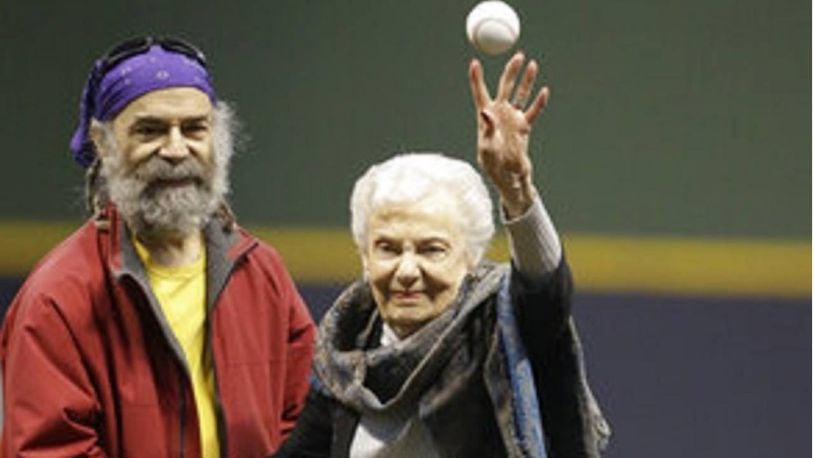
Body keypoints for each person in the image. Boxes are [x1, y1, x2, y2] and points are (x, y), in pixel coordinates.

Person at [273, 52, 611, 458]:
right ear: (364, 257)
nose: (407, 271)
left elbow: (546, 292)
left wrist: (516, 190)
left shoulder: (497, 331)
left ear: (471, 259)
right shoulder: (343, 357)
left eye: (432, 250)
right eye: (387, 248)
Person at [0, 36, 316, 457]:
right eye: (150, 130)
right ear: (103, 142)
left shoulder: (261, 273)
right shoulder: (58, 298)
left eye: (193, 128)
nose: (175, 149)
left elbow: (307, 428)